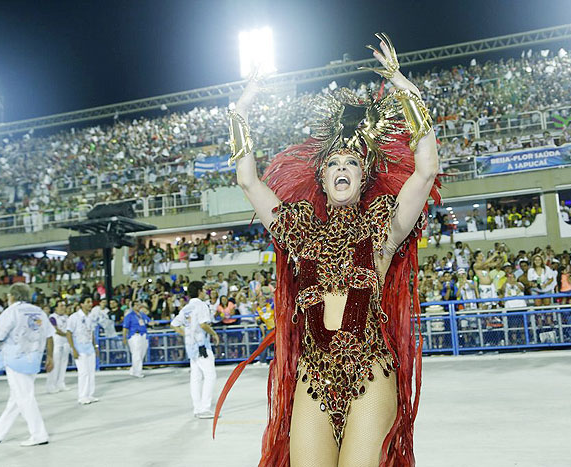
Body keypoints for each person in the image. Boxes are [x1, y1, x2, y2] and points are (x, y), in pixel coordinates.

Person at [216, 33, 440, 466]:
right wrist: (240, 109)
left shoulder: (382, 229)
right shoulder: (299, 231)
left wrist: (401, 84)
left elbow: (426, 169)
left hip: (370, 373)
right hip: (313, 376)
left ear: (363, 176)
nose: (342, 167)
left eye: (351, 163)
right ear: (321, 180)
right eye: (333, 163)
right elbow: (248, 180)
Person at [0, 283, 54, 446]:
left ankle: (39, 434)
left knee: (25, 398)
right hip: (33, 359)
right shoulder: (38, 311)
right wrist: (50, 357)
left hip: (16, 359)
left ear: (13, 296)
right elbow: (49, 336)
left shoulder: (11, 312)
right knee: (17, 397)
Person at [171, 281, 220, 418]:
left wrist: (187, 333)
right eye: (204, 290)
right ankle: (205, 408)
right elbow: (203, 324)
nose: (205, 292)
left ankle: (197, 408)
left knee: (196, 377)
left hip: (190, 346)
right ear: (199, 291)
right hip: (201, 345)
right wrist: (214, 334)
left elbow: (174, 324)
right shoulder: (201, 305)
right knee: (210, 375)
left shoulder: (186, 308)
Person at [66, 296, 99, 405]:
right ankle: (82, 396)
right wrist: (73, 349)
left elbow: (92, 333)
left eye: (91, 302)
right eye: (88, 302)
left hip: (90, 348)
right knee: (83, 372)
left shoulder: (91, 317)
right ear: (81, 304)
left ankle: (90, 394)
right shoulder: (74, 317)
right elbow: (69, 333)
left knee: (91, 372)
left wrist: (96, 346)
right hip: (79, 348)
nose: (90, 304)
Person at [122, 302, 155, 378]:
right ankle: (137, 372)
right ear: (132, 307)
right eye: (136, 305)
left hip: (143, 335)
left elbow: (148, 321)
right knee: (136, 353)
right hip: (135, 336)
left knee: (142, 353)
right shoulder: (129, 316)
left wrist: (154, 323)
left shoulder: (142, 314)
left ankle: (133, 369)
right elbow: (125, 328)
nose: (138, 306)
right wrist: (124, 338)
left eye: (139, 305)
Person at [46, 301, 70, 393]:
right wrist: (66, 334)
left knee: (63, 364)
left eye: (64, 306)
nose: (63, 307)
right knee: (55, 364)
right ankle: (51, 385)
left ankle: (61, 383)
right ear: (56, 308)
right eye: (61, 306)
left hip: (65, 342)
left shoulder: (66, 317)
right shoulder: (52, 317)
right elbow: (55, 329)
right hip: (57, 342)